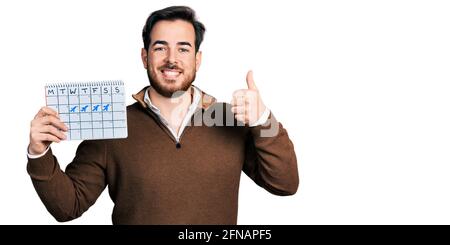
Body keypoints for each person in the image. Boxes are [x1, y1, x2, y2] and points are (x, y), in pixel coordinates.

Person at [27, 6, 299, 224]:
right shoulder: (111, 126)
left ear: (197, 59)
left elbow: (285, 184)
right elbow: (68, 207)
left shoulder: (232, 119)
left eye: (183, 48)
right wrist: (38, 152)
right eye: (160, 47)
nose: (172, 58)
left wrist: (264, 120)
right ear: (145, 57)